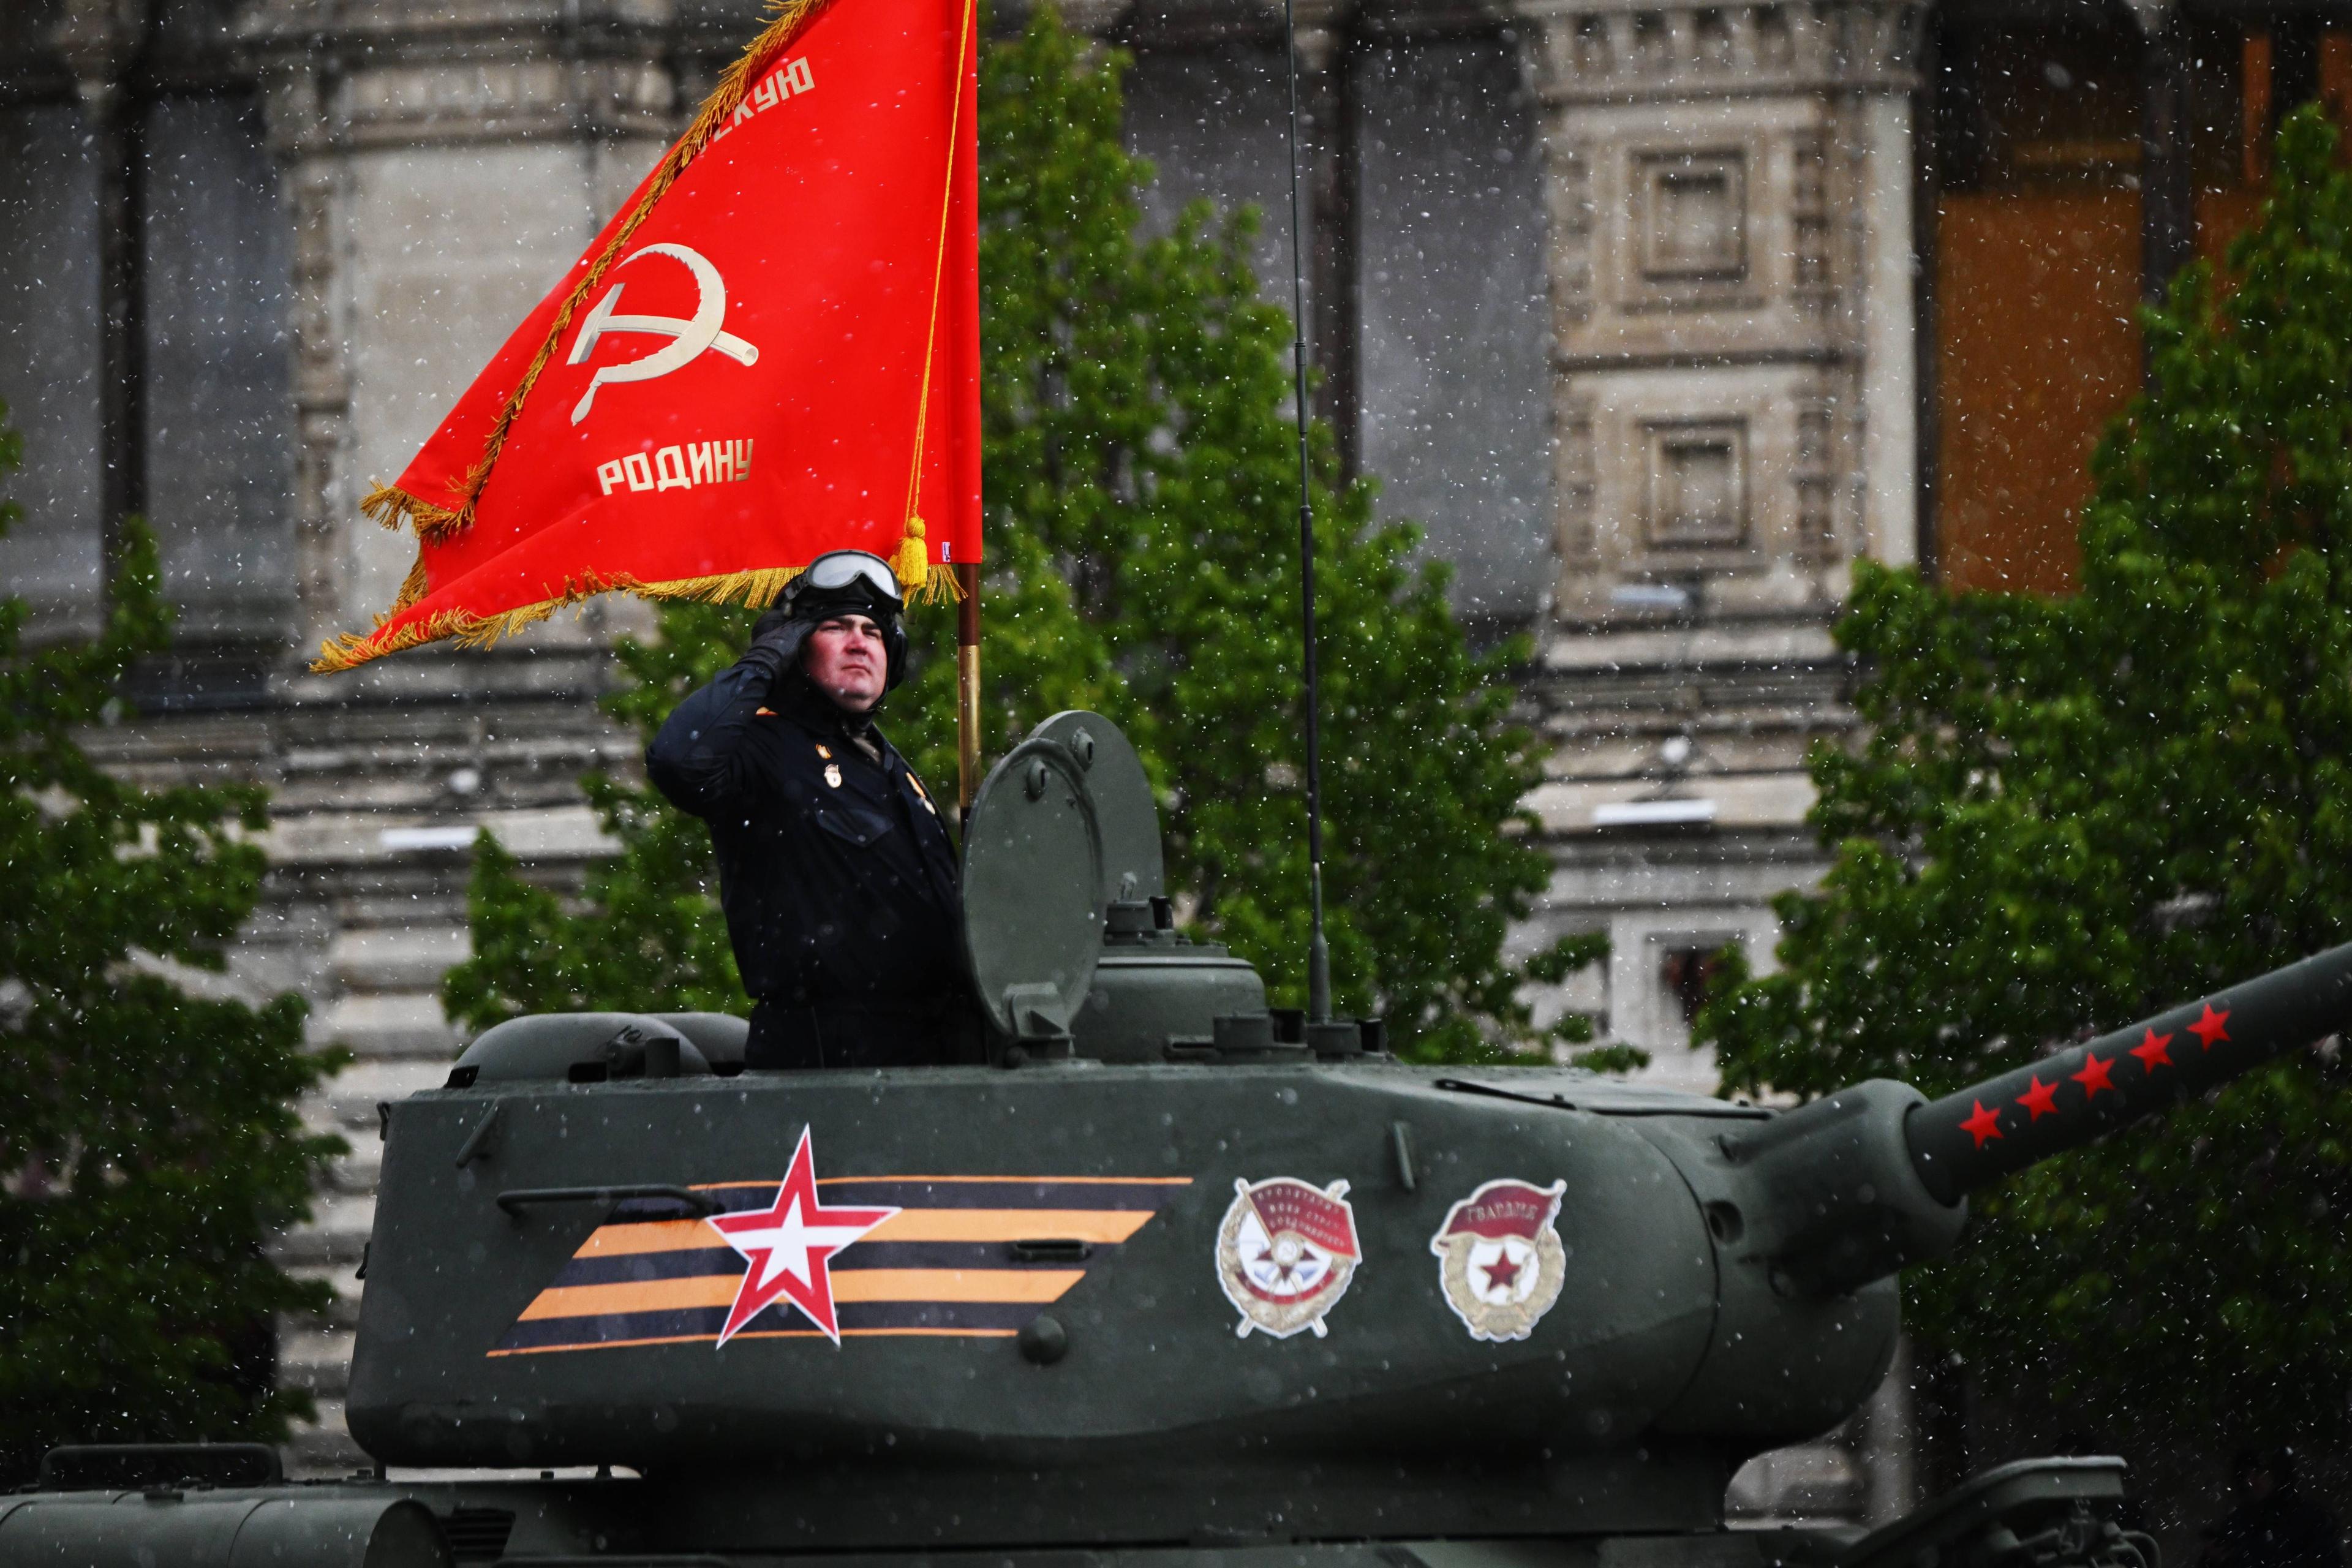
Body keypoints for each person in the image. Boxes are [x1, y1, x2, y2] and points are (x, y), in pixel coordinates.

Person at [646, 549, 972, 1069]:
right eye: (837, 627)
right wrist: (765, 662)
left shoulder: (892, 766)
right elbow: (678, 761)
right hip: (825, 1063)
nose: (859, 642)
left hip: (930, 1056)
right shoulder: (764, 750)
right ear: (797, 646)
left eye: (873, 631)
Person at [2201, 1447, 2344, 1568]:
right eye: (2246, 1475)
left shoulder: (2311, 1519)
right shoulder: (2236, 1524)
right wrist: (2211, 1561)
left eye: (2259, 1472)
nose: (2252, 1481)